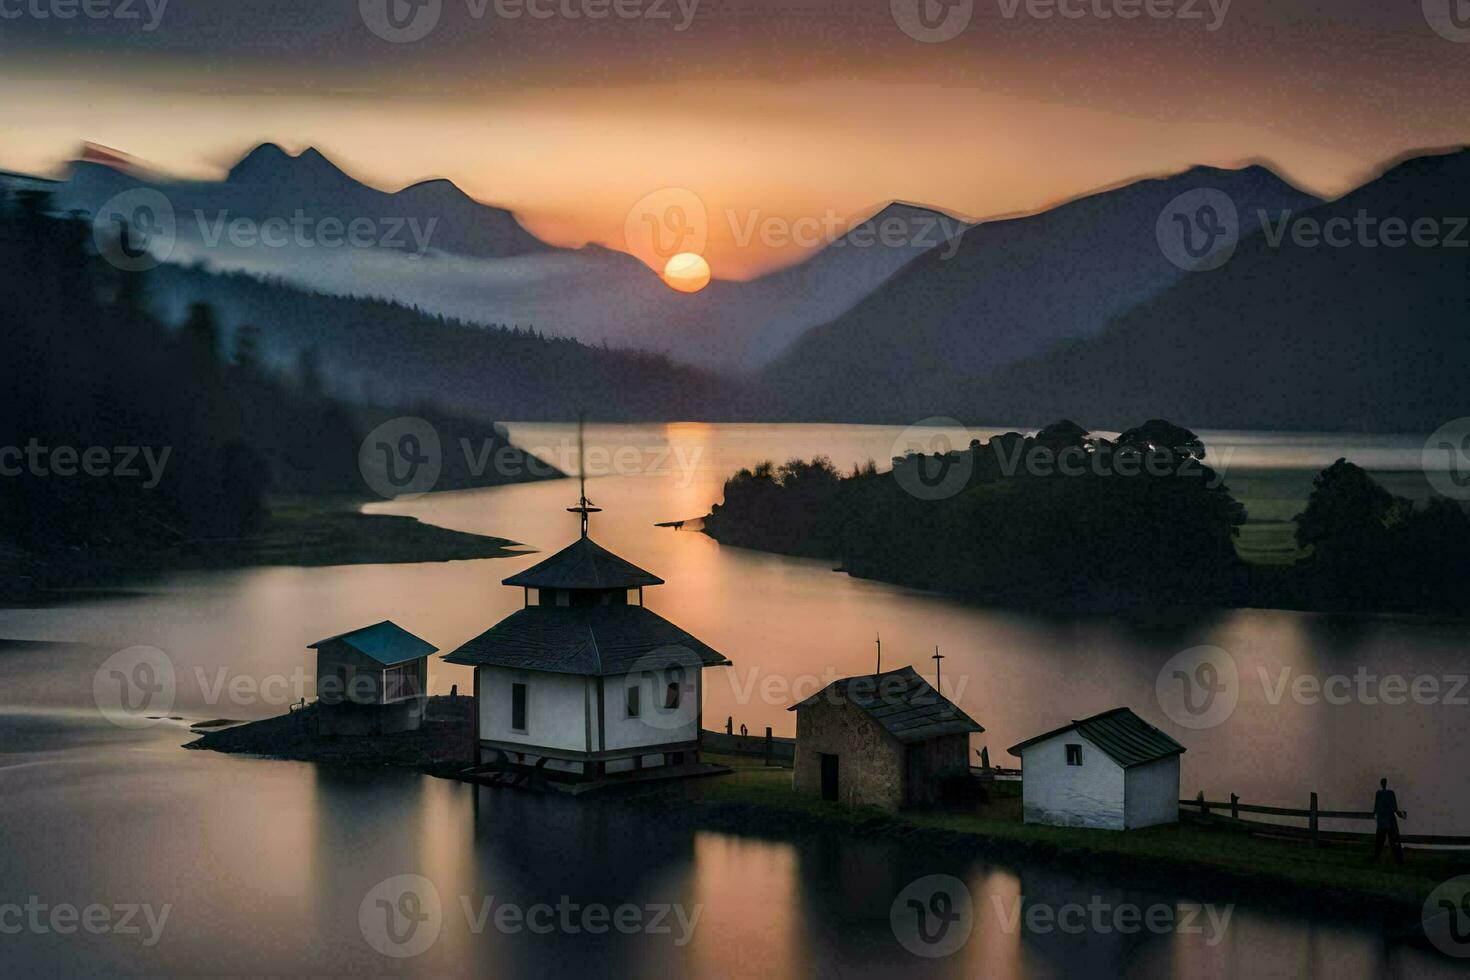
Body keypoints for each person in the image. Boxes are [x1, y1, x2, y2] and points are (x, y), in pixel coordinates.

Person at [1373, 777, 1407, 865]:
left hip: (1382, 821)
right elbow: (1394, 807)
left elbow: (1376, 808)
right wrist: (1400, 813)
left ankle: (1376, 857)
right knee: (1393, 841)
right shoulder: (1390, 793)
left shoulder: (1379, 794)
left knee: (1380, 841)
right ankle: (1398, 860)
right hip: (1389, 820)